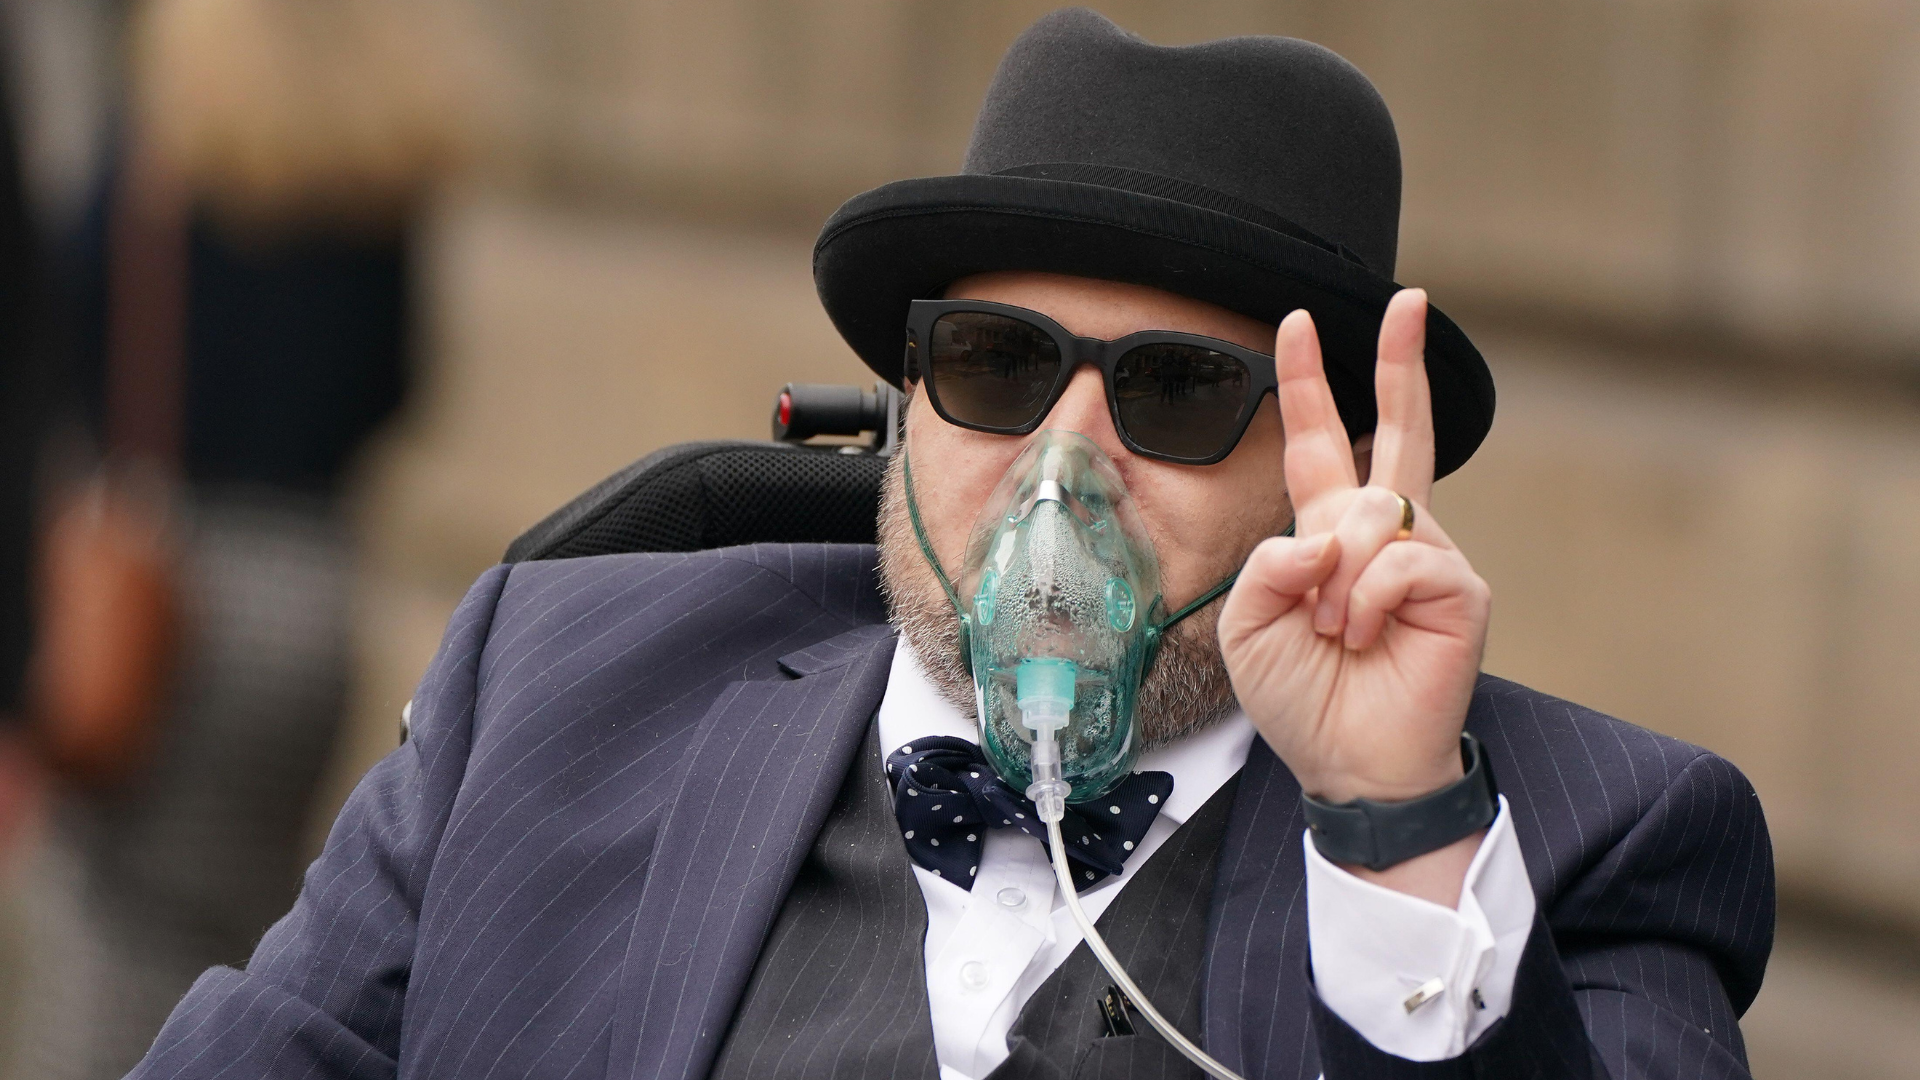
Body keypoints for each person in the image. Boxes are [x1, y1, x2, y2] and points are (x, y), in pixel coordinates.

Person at [129, 10, 1773, 1080]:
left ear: (1322, 470)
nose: (1065, 465)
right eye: (997, 364)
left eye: (1177, 392)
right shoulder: (559, 693)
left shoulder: (1584, 850)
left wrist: (1393, 829)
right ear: (905, 404)